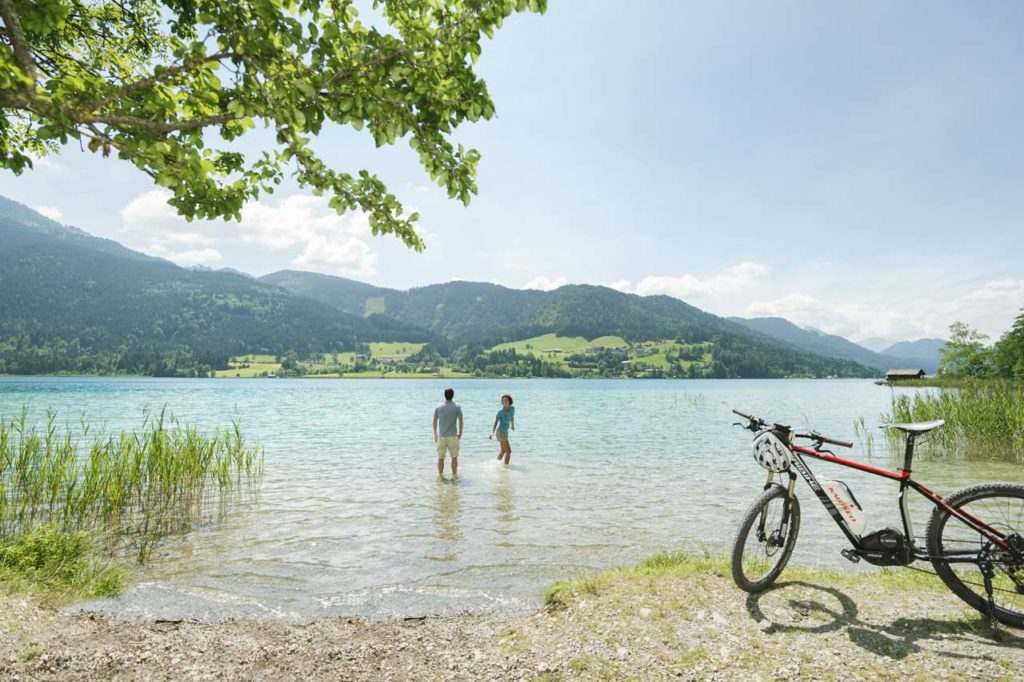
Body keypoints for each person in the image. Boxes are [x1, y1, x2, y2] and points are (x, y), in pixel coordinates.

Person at [433, 387, 463, 477]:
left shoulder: (438, 407)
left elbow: (434, 422)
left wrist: (435, 435)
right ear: (453, 395)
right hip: (453, 436)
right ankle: (454, 477)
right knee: (454, 458)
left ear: (444, 395)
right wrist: (460, 433)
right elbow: (461, 421)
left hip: (442, 436)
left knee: (440, 458)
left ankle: (440, 477)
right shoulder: (457, 406)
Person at [490, 393, 515, 465]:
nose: (505, 402)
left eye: (506, 400)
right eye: (503, 400)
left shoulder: (512, 409)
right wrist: (492, 432)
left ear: (509, 401)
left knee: (503, 451)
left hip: (505, 432)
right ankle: (506, 468)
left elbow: (512, 417)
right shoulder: (500, 412)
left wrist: (512, 426)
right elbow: (496, 423)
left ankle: (496, 464)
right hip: (500, 432)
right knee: (508, 451)